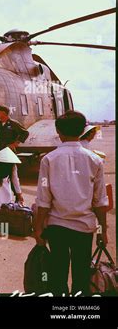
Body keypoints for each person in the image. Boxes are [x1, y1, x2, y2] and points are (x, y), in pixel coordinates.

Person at [33, 111, 108, 296]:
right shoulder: (95, 160)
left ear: (58, 131)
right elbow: (99, 201)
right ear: (83, 130)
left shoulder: (48, 160)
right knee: (81, 276)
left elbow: (43, 200)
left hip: (57, 227)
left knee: (57, 275)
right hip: (84, 228)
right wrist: (103, 230)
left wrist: (38, 228)